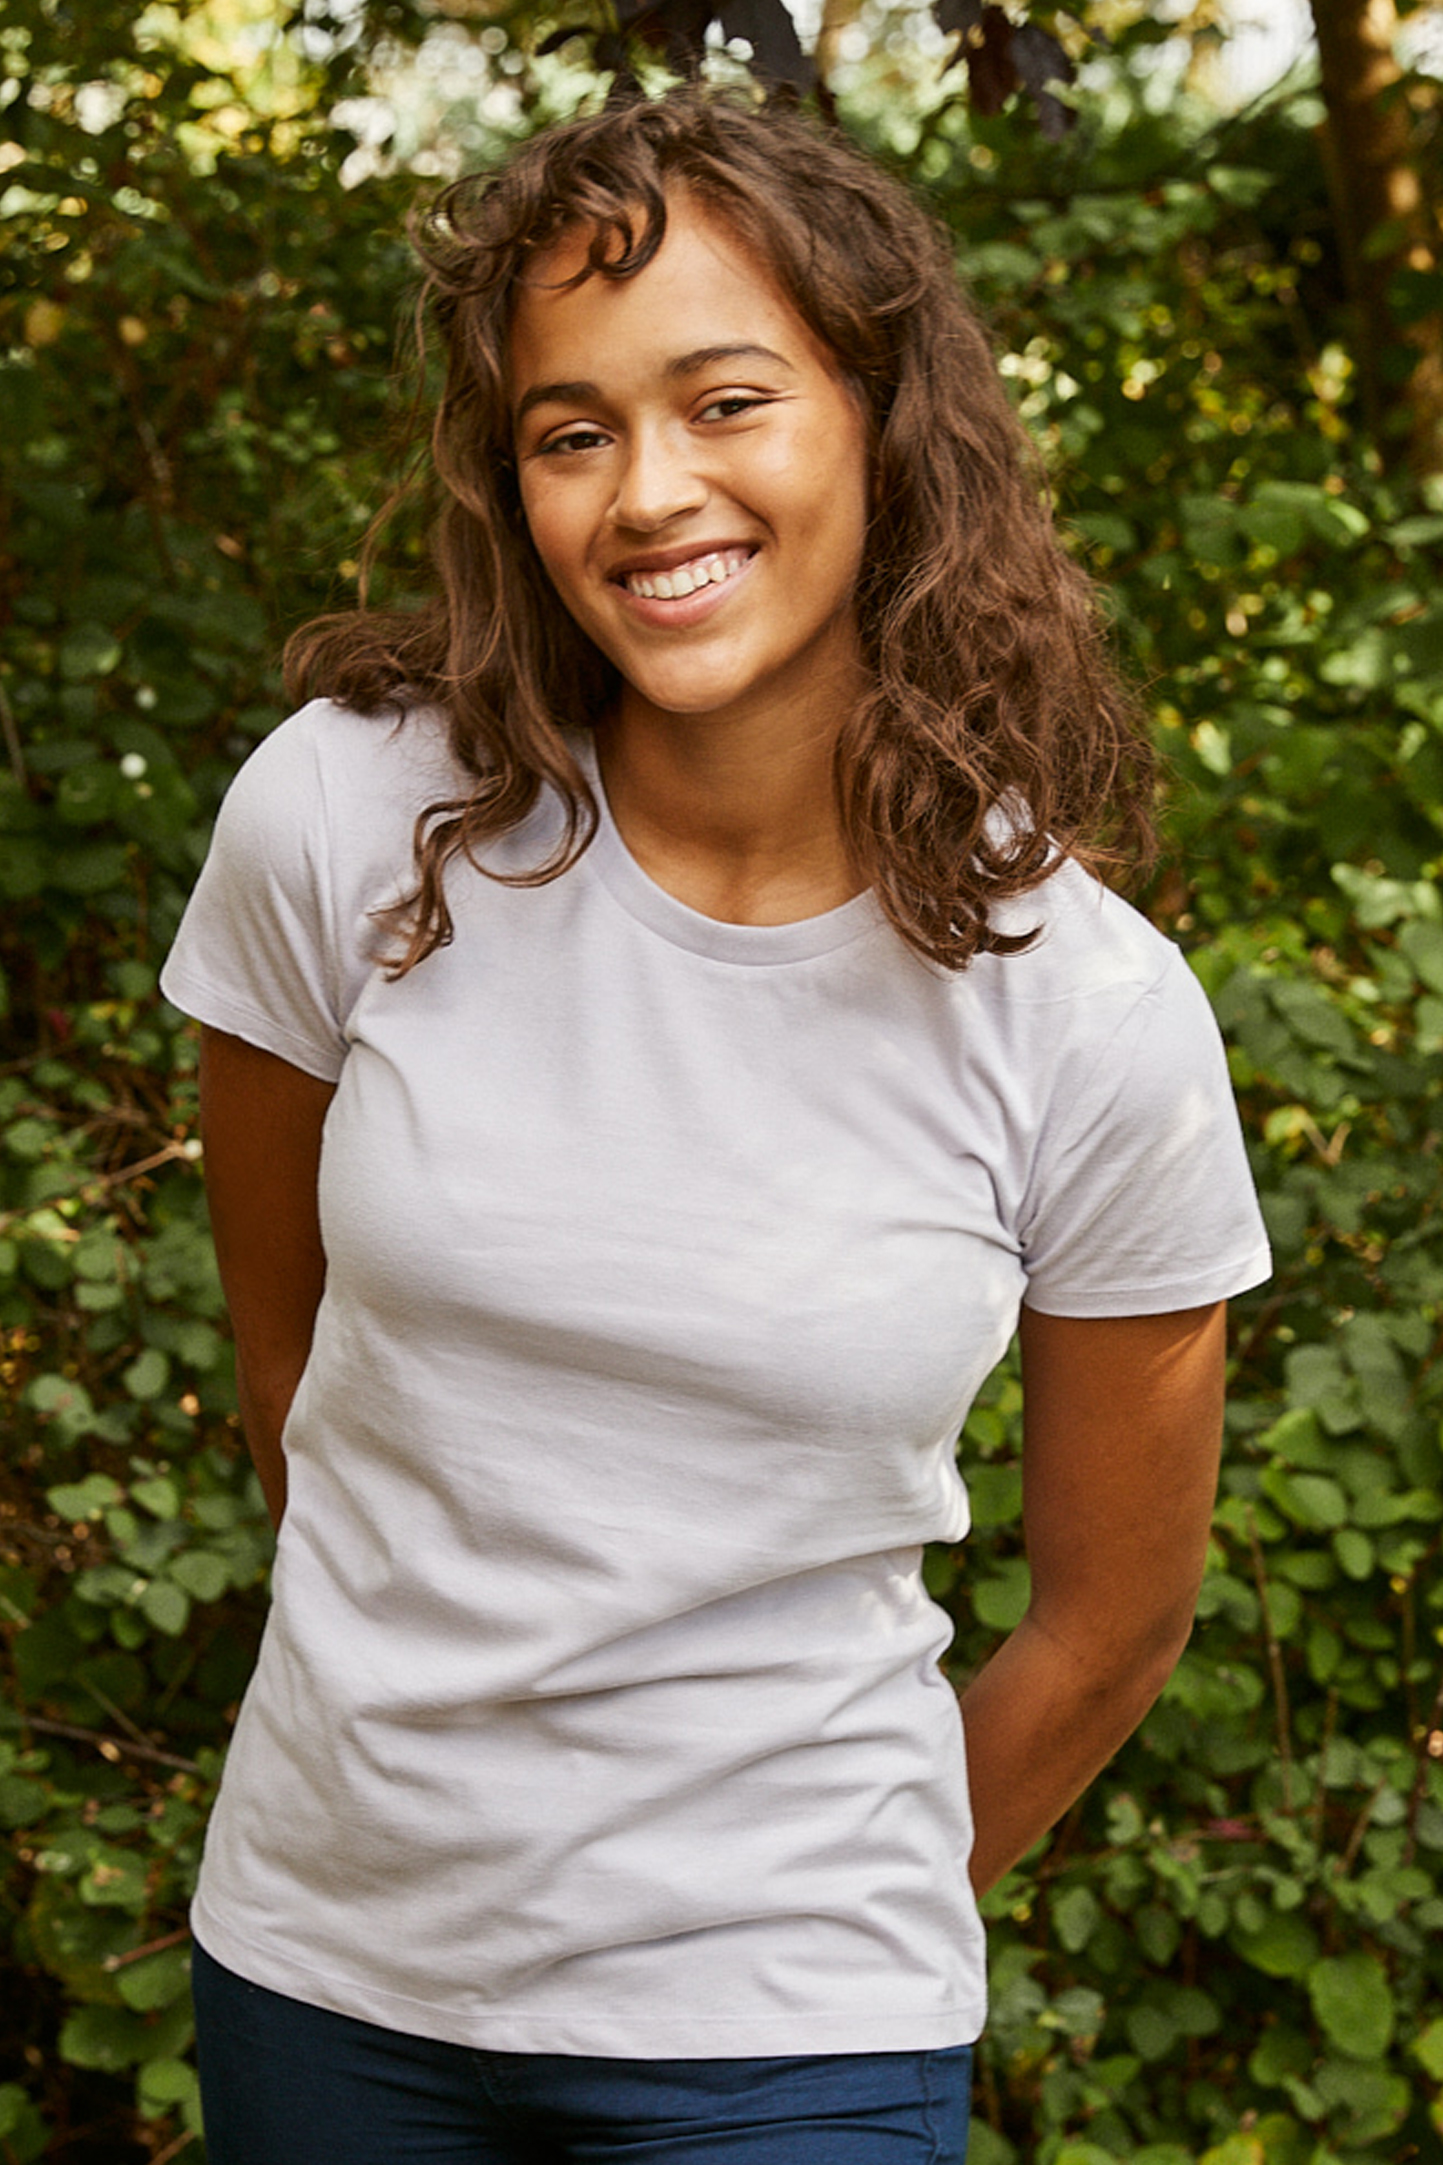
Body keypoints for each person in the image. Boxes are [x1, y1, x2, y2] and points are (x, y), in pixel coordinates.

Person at [160, 85, 1270, 2165]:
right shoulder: (341, 817)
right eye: (568, 430)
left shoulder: (1089, 1015)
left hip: (789, 2037)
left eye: (725, 399)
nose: (646, 492)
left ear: (875, 415)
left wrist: (796, 1940)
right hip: (328, 1980)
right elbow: (290, 1375)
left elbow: (1108, 1625)